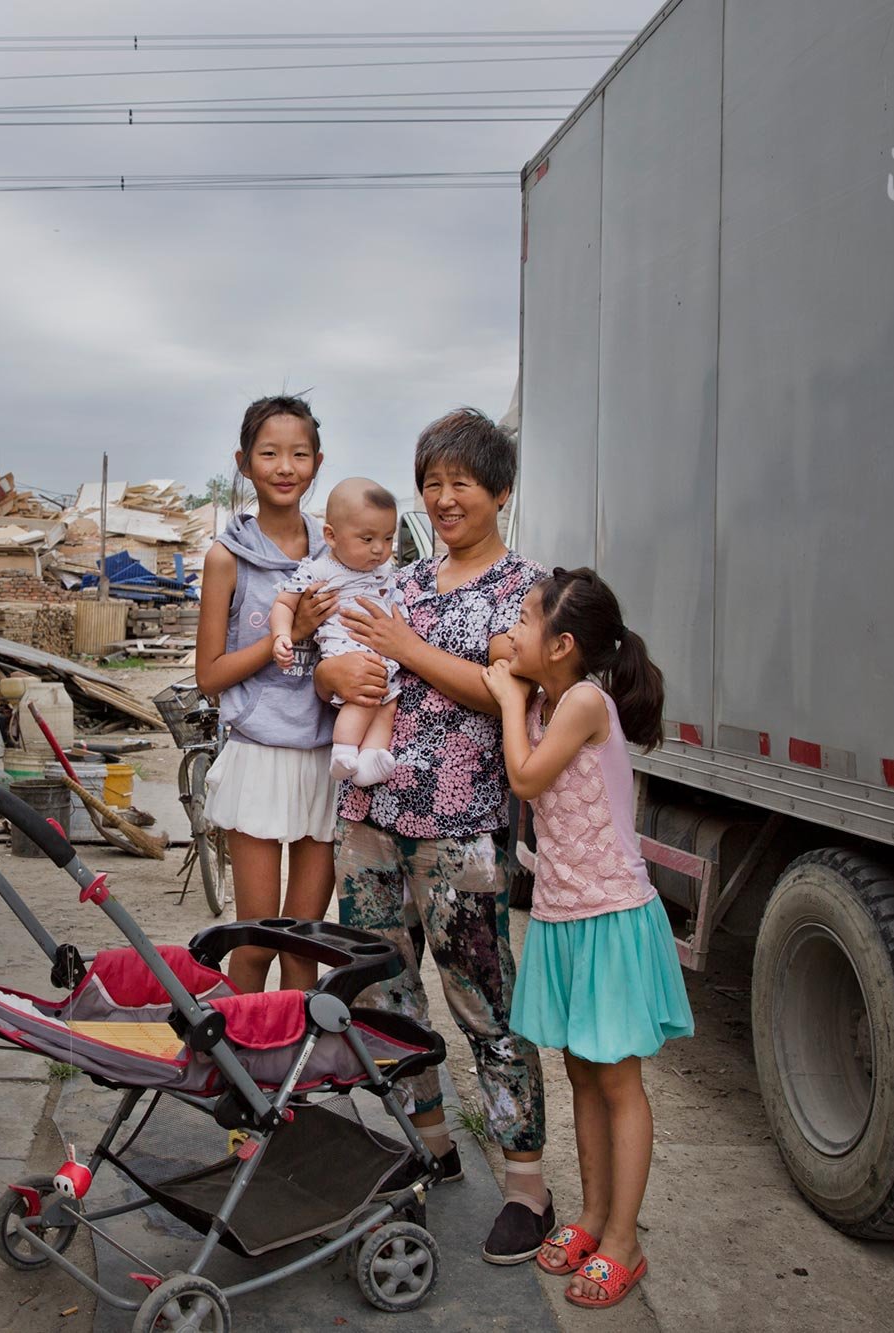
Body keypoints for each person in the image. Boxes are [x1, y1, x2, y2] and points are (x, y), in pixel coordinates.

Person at [314, 408, 552, 1264]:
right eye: (433, 483)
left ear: (501, 491)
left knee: (485, 1001)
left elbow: (506, 691)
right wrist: (332, 670)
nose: (444, 499)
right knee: (385, 993)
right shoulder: (402, 576)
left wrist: (406, 647)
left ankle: (527, 1184)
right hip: (369, 819)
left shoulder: (526, 590)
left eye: (462, 483)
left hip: (461, 828)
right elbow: (342, 658)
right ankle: (430, 1144)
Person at [483, 567, 693, 1311]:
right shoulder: (550, 691)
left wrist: (510, 699)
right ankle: (596, 1217)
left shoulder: (580, 702)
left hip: (609, 915)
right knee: (580, 1073)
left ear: (563, 644)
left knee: (617, 1081)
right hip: (563, 914)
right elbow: (497, 652)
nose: (512, 629)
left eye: (526, 619)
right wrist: (514, 670)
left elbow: (526, 778)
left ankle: (624, 1242)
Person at [194, 395, 341, 994]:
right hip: (258, 756)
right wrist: (291, 633)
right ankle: (238, 1049)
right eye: (269, 454)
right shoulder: (226, 558)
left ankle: (296, 1055)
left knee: (304, 944)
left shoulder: (337, 556)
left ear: (317, 463)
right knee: (254, 942)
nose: (285, 467)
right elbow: (210, 676)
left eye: (299, 454)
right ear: (244, 463)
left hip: (325, 759)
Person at [268, 478, 405, 787]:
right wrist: (281, 635)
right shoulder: (320, 570)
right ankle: (343, 751)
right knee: (364, 700)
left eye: (387, 538)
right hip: (348, 655)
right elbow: (284, 603)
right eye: (367, 539)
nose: (379, 549)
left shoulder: (384, 571)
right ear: (331, 535)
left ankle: (369, 759)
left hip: (384, 657)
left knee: (388, 706)